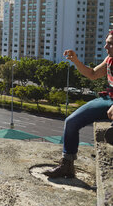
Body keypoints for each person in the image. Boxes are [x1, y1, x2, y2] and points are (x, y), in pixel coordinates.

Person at [44, 31, 113, 178]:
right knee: (71, 121)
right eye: (106, 42)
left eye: (110, 43)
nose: (105, 46)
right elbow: (93, 74)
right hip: (108, 99)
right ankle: (67, 164)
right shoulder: (109, 60)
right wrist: (75, 60)